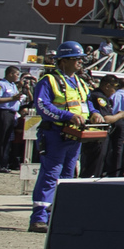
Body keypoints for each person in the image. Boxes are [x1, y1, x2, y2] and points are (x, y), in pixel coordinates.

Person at [25, 42, 95, 233]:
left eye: (81, 59)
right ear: (63, 61)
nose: (80, 62)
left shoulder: (80, 82)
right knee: (50, 175)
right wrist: (68, 116)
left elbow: (86, 103)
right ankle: (39, 218)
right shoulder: (48, 81)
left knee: (68, 177)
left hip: (75, 136)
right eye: (76, 59)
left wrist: (95, 112)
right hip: (55, 134)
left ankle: (59, 216)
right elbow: (43, 107)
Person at [90, 74, 124, 177]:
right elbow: (106, 119)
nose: (115, 91)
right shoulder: (99, 97)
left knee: (103, 159)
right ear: (107, 86)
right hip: (96, 134)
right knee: (95, 164)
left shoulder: (106, 97)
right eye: (114, 88)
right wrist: (120, 115)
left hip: (103, 133)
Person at [0, 63, 27, 172]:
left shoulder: (13, 85)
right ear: (10, 74)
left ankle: (2, 163)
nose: (18, 76)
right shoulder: (0, 84)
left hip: (11, 113)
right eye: (16, 74)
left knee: (6, 139)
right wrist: (12, 98)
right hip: (2, 112)